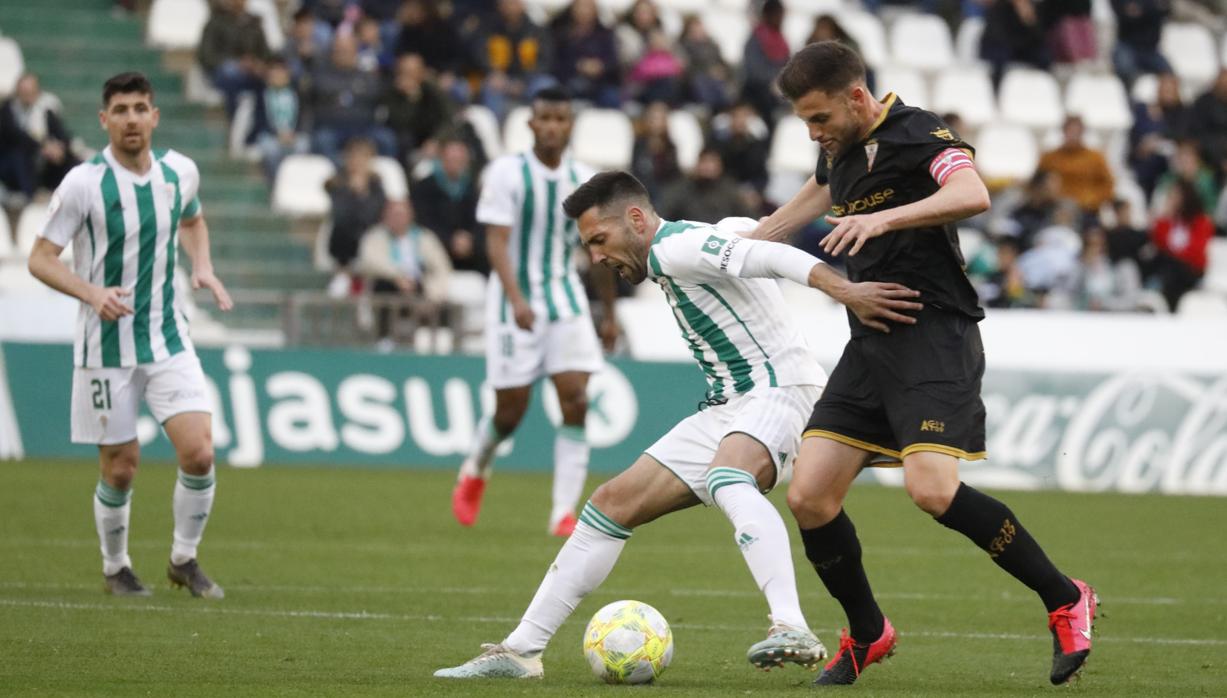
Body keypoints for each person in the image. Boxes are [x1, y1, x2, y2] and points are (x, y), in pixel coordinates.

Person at [434, 169, 925, 680]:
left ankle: (790, 625)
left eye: (599, 240)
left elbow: (775, 256)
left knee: (727, 476)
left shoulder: (676, 249)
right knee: (610, 505)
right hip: (729, 406)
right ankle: (520, 651)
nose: (596, 257)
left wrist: (847, 292)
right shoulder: (689, 246)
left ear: (637, 219)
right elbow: (756, 239)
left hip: (780, 389)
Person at [751, 42, 1097, 686]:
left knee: (932, 491)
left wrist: (884, 221)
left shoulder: (918, 131)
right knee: (810, 497)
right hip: (870, 339)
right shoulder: (836, 145)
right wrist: (735, 245)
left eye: (819, 118)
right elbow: (807, 200)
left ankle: (1065, 598)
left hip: (935, 332)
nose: (814, 131)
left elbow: (972, 193)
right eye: (805, 122)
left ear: (857, 98)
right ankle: (867, 633)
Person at [25, 72, 233, 599]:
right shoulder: (84, 183)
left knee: (200, 453)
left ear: (155, 116)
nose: (132, 118)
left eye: (141, 108)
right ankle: (115, 567)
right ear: (105, 120)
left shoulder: (179, 172)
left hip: (167, 336)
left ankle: (183, 559)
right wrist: (93, 293)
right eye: (121, 110)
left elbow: (193, 220)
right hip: (105, 347)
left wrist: (202, 266)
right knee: (121, 467)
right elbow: (40, 259)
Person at [450, 87, 616, 536]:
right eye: (544, 118)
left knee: (577, 400)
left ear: (570, 125)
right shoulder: (506, 172)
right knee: (510, 411)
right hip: (513, 304)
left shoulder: (584, 181)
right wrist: (516, 299)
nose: (552, 126)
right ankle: (475, 469)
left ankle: (563, 511)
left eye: (561, 118)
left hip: (565, 300)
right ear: (530, 124)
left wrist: (609, 313)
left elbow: (599, 249)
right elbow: (496, 242)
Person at [355, 199, 453, 347]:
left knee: (443, 304)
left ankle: (437, 344)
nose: (398, 218)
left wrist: (433, 294)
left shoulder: (425, 238)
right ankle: (385, 340)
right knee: (384, 288)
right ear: (385, 216)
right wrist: (397, 277)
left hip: (420, 288)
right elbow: (371, 261)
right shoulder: (375, 237)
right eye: (394, 214)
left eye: (402, 214)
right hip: (390, 286)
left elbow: (441, 268)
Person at [411, 136, 486, 274]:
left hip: (470, 251)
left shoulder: (473, 188)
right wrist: (450, 239)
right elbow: (424, 221)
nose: (455, 163)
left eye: (459, 160)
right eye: (450, 159)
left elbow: (480, 220)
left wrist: (470, 240)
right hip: (438, 246)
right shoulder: (424, 187)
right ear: (441, 159)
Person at [0, 73, 78, 204]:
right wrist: (42, 146)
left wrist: (59, 148)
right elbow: (15, 137)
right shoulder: (8, 110)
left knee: (71, 160)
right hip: (11, 167)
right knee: (19, 156)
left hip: (41, 163)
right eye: (24, 91)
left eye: (31, 91)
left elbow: (62, 134)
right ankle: (32, 198)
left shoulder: (44, 110)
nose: (28, 95)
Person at [197, 0, 271, 118]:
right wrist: (237, 64)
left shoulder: (254, 23)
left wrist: (256, 64)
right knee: (231, 74)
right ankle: (234, 120)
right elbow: (206, 55)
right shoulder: (216, 21)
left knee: (272, 80)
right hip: (224, 71)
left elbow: (265, 53)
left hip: (252, 72)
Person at [1037, 116, 1115, 216]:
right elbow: (1037, 183)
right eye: (1070, 131)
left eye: (1077, 131)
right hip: (1055, 209)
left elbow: (1108, 184)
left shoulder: (1095, 157)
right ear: (1063, 132)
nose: (1073, 135)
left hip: (1086, 210)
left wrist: (1093, 199)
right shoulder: (1050, 157)